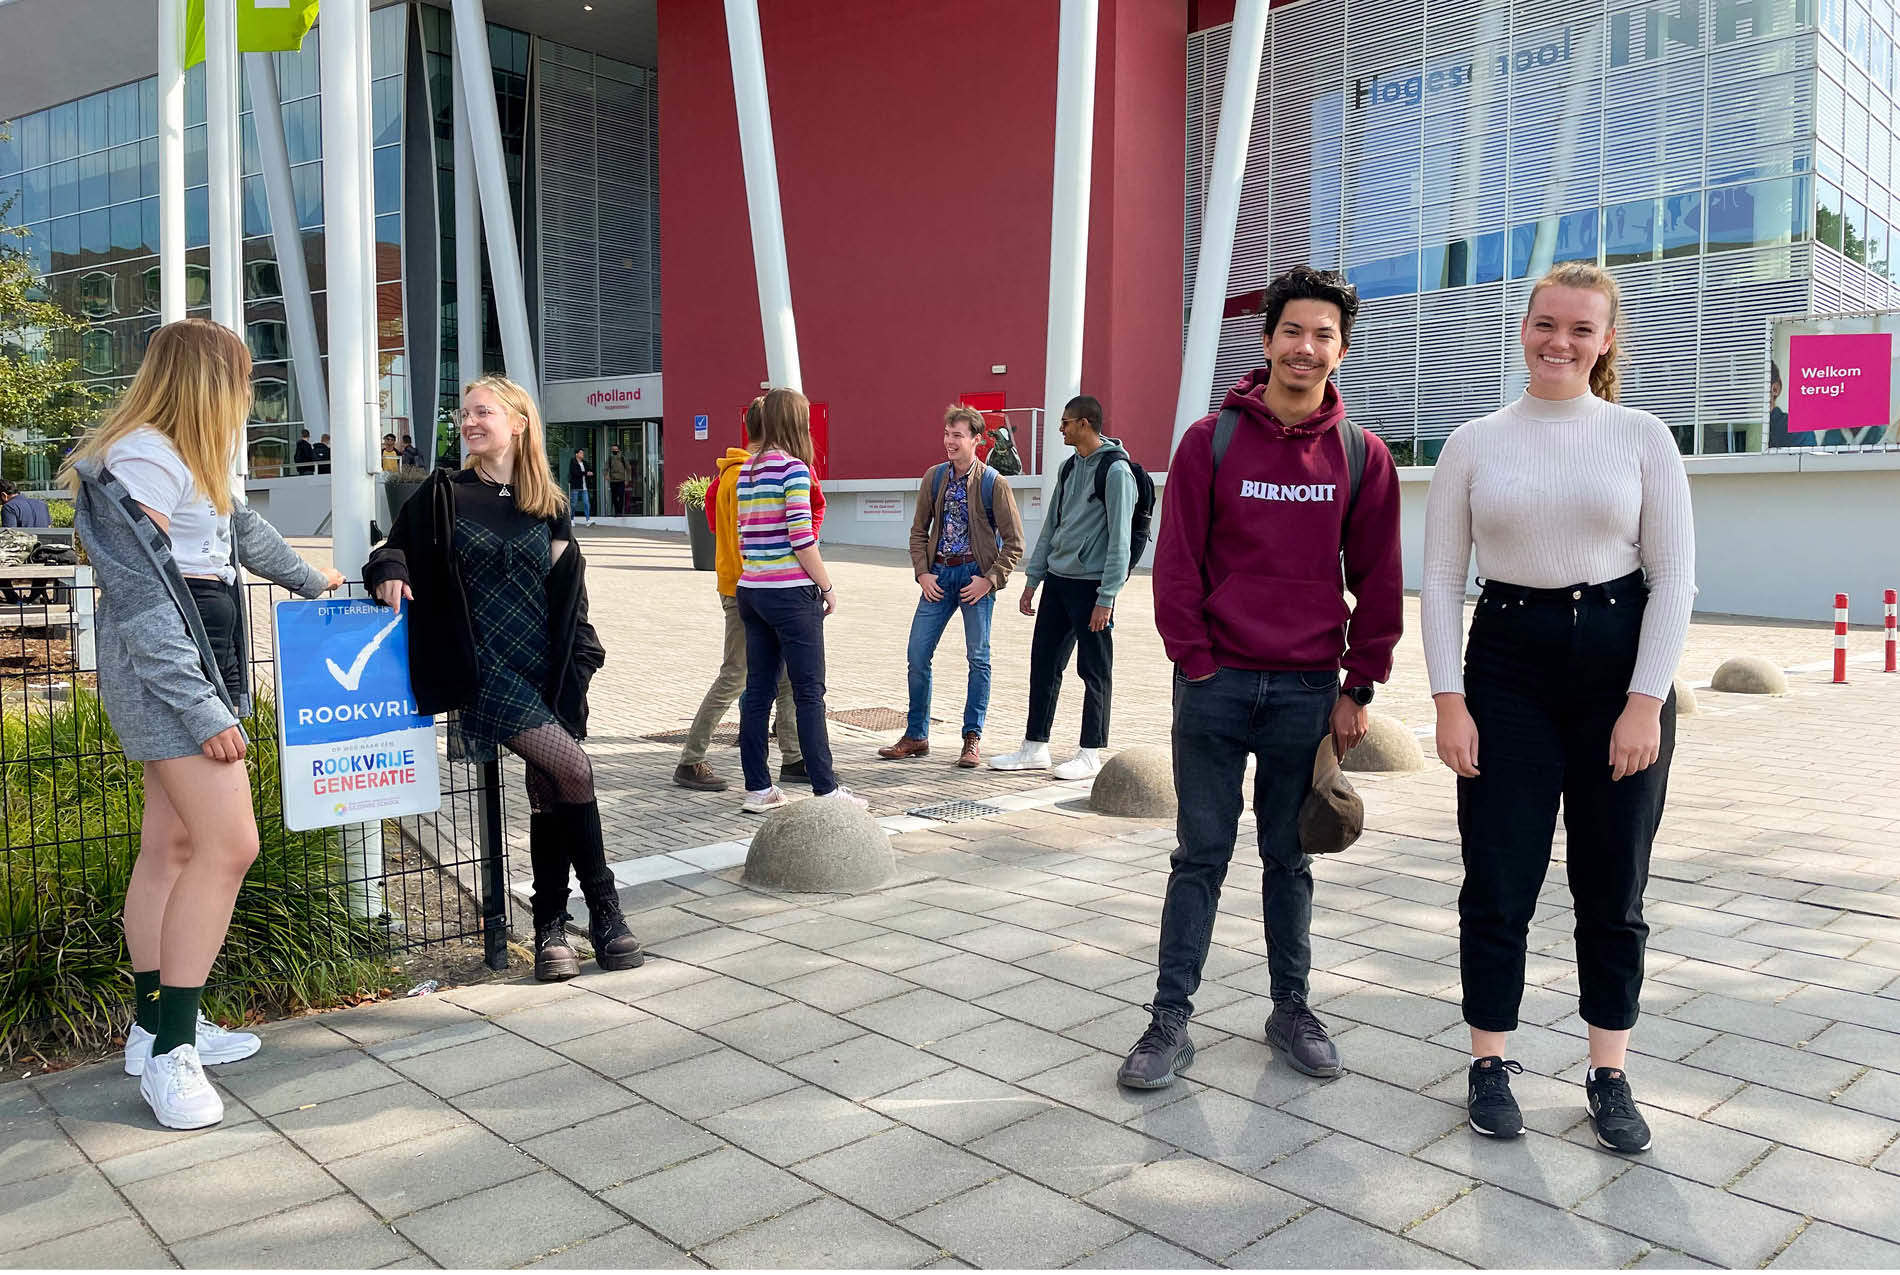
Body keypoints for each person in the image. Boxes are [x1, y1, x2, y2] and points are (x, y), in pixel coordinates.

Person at [1423, 262, 1695, 1155]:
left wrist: (1645, 701)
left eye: (1581, 329)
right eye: (1546, 324)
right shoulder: (1474, 440)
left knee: (1612, 887)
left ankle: (1608, 1069)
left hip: (1617, 663)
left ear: (1606, 340)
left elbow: (1675, 579)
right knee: (1498, 877)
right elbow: (1436, 582)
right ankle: (1490, 1061)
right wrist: (1448, 701)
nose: (1560, 342)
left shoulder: (1643, 435)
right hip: (1505, 663)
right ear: (1525, 328)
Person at [1121, 265, 1404, 1091]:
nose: (1305, 348)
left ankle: (1291, 1008)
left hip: (1307, 692)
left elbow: (1380, 578)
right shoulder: (1210, 440)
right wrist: (1196, 660)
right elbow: (1176, 563)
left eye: (1323, 336)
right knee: (1199, 856)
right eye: (1292, 332)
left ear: (1341, 350)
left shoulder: (1361, 456)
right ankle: (1169, 1020)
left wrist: (1359, 686)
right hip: (1214, 687)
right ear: (1267, 339)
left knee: (1290, 859)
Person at [60, 318, 344, 1130]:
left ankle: (155, 1029)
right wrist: (201, 705)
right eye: (244, 377)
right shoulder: (145, 453)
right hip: (170, 661)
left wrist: (312, 579)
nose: (250, 392)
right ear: (212, 378)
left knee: (173, 846)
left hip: (198, 644)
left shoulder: (190, 447)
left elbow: (238, 532)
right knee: (230, 842)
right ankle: (171, 1051)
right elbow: (142, 589)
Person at [366, 377, 629, 983]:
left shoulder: (550, 502)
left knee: (550, 788)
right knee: (573, 769)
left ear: (519, 422)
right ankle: (607, 909)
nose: (469, 422)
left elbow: (570, 600)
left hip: (547, 666)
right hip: (481, 670)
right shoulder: (443, 494)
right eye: (464, 413)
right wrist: (388, 572)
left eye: (482, 412)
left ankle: (550, 929)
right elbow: (391, 548)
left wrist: (582, 663)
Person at [988, 395, 1133, 781]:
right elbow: (1051, 526)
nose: (1061, 428)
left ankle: (1089, 753)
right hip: (1058, 582)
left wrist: (1107, 597)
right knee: (1044, 665)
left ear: (1085, 424)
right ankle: (1035, 747)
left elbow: (1120, 539)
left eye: (1066, 422)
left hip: (1092, 588)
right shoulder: (1069, 468)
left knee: (1094, 669)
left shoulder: (1116, 471)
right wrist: (1032, 580)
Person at [734, 388, 865, 812]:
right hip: (791, 594)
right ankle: (826, 789)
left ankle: (758, 789)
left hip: (752, 590)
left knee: (758, 691)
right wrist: (827, 587)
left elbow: (742, 536)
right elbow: (802, 537)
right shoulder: (793, 470)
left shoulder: (746, 471)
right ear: (795, 423)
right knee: (809, 693)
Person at [881, 404, 1025, 768]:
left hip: (975, 579)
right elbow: (918, 532)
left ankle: (971, 738)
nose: (950, 441)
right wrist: (922, 573)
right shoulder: (934, 477)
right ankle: (916, 735)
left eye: (958, 435)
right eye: (947, 434)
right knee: (917, 654)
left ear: (976, 440)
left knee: (978, 658)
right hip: (939, 578)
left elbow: (1015, 542)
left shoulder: (994, 482)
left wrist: (989, 580)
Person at [675, 398, 806, 792]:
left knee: (781, 676)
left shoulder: (725, 476)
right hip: (749, 587)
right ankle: (691, 759)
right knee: (735, 674)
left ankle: (794, 756)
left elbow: (716, 528)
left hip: (737, 584)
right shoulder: (754, 474)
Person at [568, 448, 593, 525]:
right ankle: (571, 519)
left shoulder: (584, 462)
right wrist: (586, 473)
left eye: (583, 453)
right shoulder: (573, 462)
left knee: (586, 503)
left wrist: (590, 473)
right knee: (574, 503)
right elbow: (575, 473)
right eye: (581, 453)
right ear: (577, 454)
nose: (582, 454)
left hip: (584, 487)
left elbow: (589, 470)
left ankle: (588, 520)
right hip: (576, 486)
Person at [606, 444, 631, 517]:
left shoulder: (623, 458)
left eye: (615, 449)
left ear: (619, 450)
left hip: (621, 481)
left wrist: (627, 479)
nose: (614, 451)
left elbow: (628, 468)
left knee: (621, 497)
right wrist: (606, 475)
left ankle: (619, 512)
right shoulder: (610, 458)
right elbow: (606, 468)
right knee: (614, 497)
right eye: (612, 449)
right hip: (613, 481)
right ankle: (617, 511)